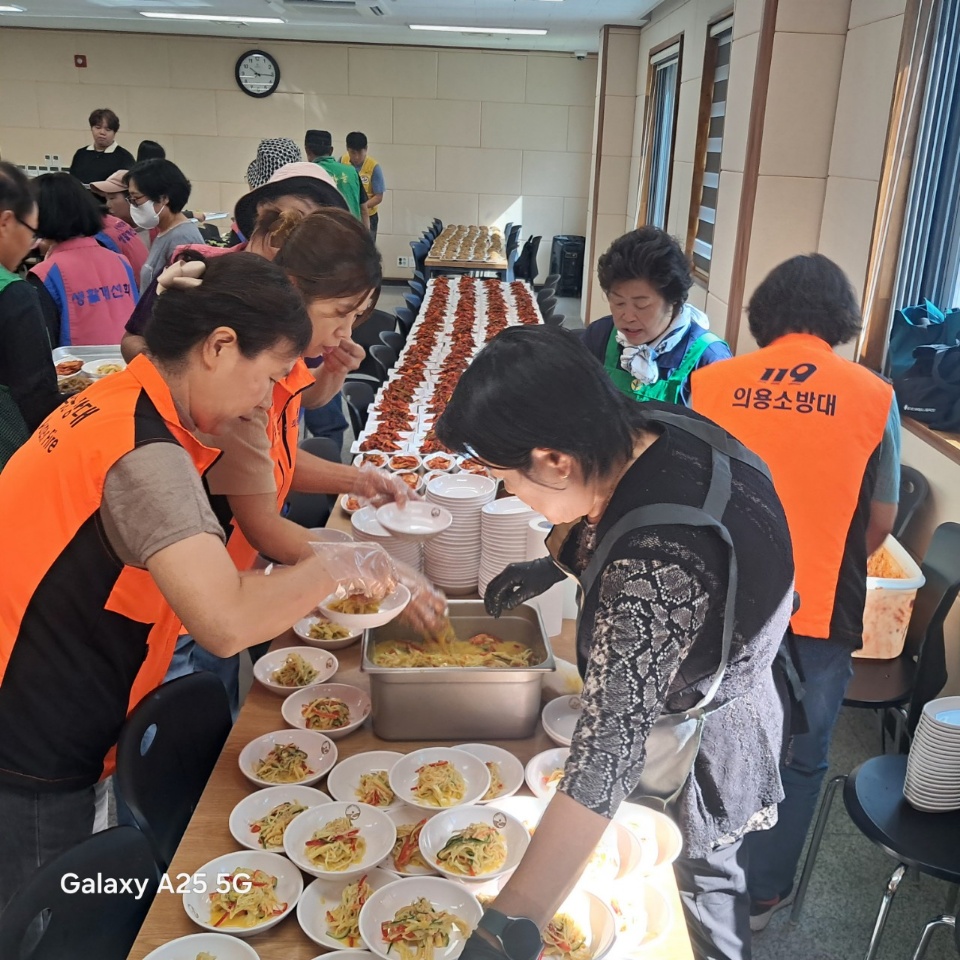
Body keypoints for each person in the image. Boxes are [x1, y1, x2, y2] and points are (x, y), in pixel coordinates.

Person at [0, 252, 412, 912]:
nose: (265, 400)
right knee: (48, 917)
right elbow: (224, 622)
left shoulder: (124, 401)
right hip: (34, 729)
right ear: (219, 347)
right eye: (268, 377)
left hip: (56, 688)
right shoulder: (144, 455)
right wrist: (339, 563)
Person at [435, 325, 794, 960]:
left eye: (505, 477)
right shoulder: (648, 424)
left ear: (555, 460)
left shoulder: (655, 565)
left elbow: (607, 756)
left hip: (703, 743)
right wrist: (555, 563)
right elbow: (624, 505)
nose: (510, 493)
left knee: (699, 893)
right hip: (731, 669)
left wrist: (505, 929)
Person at [689, 254, 901, 933]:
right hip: (818, 609)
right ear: (841, 320)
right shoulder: (874, 395)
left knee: (704, 731)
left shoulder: (712, 382)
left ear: (764, 314)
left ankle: (699, 872)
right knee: (802, 756)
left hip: (720, 600)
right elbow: (881, 520)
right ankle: (763, 894)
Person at [582, 227, 731, 405]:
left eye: (642, 305)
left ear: (673, 300)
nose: (628, 317)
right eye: (618, 303)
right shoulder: (600, 335)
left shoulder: (709, 358)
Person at [26, 173, 139, 346]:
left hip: (76, 362)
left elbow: (44, 343)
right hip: (130, 359)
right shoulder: (120, 261)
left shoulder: (45, 274)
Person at [0, 161, 63, 469]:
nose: (31, 245)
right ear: (6, 222)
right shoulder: (13, 294)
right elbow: (37, 394)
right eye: (31, 232)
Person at [124, 158, 203, 289]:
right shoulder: (165, 232)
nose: (133, 204)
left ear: (164, 198)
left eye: (136, 198)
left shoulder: (181, 239)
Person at [88, 170, 150, 286]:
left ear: (132, 198)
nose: (107, 205)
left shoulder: (156, 229)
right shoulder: (113, 232)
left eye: (112, 198)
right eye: (106, 199)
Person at [305, 129, 367, 225]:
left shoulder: (308, 173)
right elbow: (364, 209)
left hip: (327, 231)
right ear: (331, 150)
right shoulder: (352, 171)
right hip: (353, 230)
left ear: (307, 150)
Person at [68, 108, 135, 185]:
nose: (102, 132)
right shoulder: (81, 154)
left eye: (108, 129)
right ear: (91, 128)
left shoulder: (124, 157)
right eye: (98, 127)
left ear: (114, 132)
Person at [342, 131, 384, 240]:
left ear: (366, 149)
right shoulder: (342, 161)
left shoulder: (373, 167)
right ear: (347, 149)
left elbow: (378, 197)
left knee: (367, 245)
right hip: (348, 215)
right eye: (352, 152)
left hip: (369, 216)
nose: (356, 157)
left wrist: (360, 207)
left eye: (360, 152)